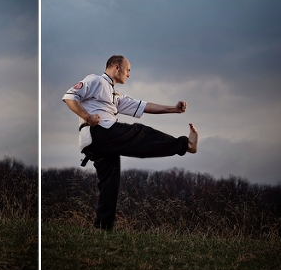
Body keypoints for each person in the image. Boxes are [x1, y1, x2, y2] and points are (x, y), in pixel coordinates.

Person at [62, 55, 198, 231]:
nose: (129, 74)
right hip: (100, 132)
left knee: (110, 184)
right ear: (117, 67)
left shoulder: (115, 95)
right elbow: (69, 96)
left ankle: (103, 229)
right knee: (140, 134)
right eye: (128, 70)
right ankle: (186, 145)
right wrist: (87, 116)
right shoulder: (95, 80)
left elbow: (143, 106)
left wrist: (173, 108)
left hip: (99, 144)